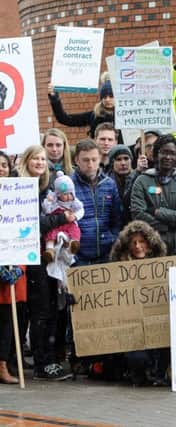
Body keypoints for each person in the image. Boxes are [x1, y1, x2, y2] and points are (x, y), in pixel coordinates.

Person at [18, 145, 72, 380]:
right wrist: (60, 219)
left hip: (53, 258)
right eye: (35, 158)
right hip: (31, 258)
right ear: (27, 161)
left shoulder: (49, 189)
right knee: (39, 310)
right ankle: (41, 362)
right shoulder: (19, 188)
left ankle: (48, 358)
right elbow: (31, 223)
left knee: (52, 307)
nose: (40, 162)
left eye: (43, 159)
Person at [109, 220, 168, 386]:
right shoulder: (117, 270)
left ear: (150, 244)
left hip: (157, 325)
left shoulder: (162, 268)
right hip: (131, 330)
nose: (137, 246)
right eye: (133, 242)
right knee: (137, 357)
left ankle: (159, 373)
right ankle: (137, 371)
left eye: (142, 241)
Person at [131, 134, 176, 262]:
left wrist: (157, 212)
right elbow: (138, 213)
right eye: (164, 152)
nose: (167, 157)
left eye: (172, 153)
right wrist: (167, 227)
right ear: (156, 154)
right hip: (152, 248)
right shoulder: (142, 181)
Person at [47, 76, 117, 142]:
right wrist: (54, 98)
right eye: (104, 97)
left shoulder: (125, 115)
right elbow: (65, 119)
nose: (107, 99)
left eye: (111, 96)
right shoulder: (94, 115)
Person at [41, 171, 84, 262]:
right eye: (65, 194)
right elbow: (46, 210)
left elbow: (81, 210)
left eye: (70, 193)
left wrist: (75, 216)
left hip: (69, 223)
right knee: (50, 233)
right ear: (58, 194)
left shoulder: (74, 202)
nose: (68, 196)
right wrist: (48, 201)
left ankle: (73, 243)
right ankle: (50, 250)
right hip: (57, 224)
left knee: (75, 230)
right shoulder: (54, 201)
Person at [0, 266, 26, 384]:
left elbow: (22, 250)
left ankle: (2, 367)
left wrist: (19, 269)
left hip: (5, 292)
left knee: (6, 330)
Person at [106, 145, 139, 224]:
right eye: (118, 159)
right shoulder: (105, 183)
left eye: (126, 158)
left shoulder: (139, 179)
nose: (123, 163)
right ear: (112, 162)